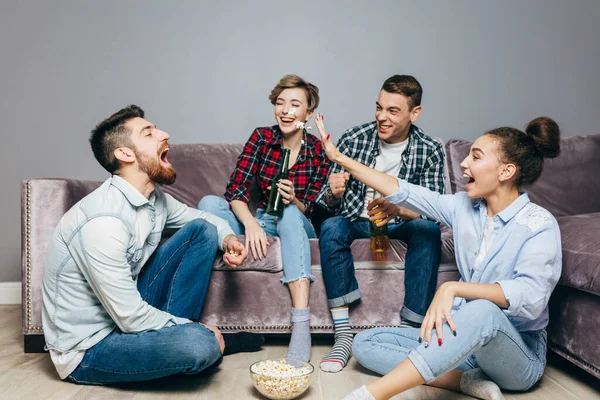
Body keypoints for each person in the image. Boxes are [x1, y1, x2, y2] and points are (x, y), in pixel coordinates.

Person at [315, 114, 562, 400]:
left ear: (506, 172)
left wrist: (453, 288)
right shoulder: (463, 207)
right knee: (365, 343)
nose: (464, 163)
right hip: (464, 341)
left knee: (482, 309)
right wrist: (339, 158)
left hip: (518, 354)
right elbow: (403, 190)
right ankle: (464, 381)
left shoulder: (539, 223)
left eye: (476, 157)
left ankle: (369, 395)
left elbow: (531, 298)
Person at [42, 105, 263, 385]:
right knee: (198, 345)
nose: (164, 135)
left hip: (123, 316)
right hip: (90, 348)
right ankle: (193, 345)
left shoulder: (154, 199)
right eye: (149, 133)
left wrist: (228, 238)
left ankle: (181, 345)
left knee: (202, 231)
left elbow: (203, 218)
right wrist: (195, 330)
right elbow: (130, 318)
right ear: (125, 154)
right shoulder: (103, 222)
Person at [314, 75, 446, 373]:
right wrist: (334, 193)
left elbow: (435, 211)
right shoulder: (354, 138)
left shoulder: (429, 149)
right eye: (379, 108)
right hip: (357, 221)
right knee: (332, 226)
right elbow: (325, 202)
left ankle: (412, 331)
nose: (381, 117)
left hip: (399, 223)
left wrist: (398, 210)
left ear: (415, 113)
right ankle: (343, 333)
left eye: (393, 111)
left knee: (429, 230)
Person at [199, 74, 330, 362]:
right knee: (209, 203)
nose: (285, 110)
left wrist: (293, 198)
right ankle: (233, 248)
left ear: (308, 113)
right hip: (260, 218)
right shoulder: (262, 138)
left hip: (295, 220)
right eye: (280, 103)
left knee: (291, 212)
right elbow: (235, 190)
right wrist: (251, 224)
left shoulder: (318, 151)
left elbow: (312, 208)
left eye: (294, 104)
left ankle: (301, 327)